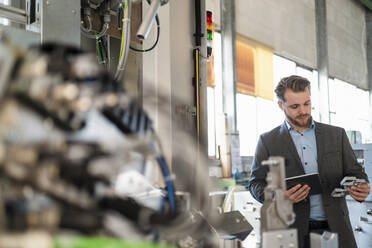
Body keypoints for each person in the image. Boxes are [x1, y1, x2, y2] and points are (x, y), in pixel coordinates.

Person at [248, 75, 370, 248]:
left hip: (337, 229)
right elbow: (255, 183)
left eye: (307, 103)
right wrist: (277, 196)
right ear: (280, 105)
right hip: (292, 232)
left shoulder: (336, 135)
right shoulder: (268, 141)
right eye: (295, 106)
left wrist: (361, 186)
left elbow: (356, 173)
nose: (303, 111)